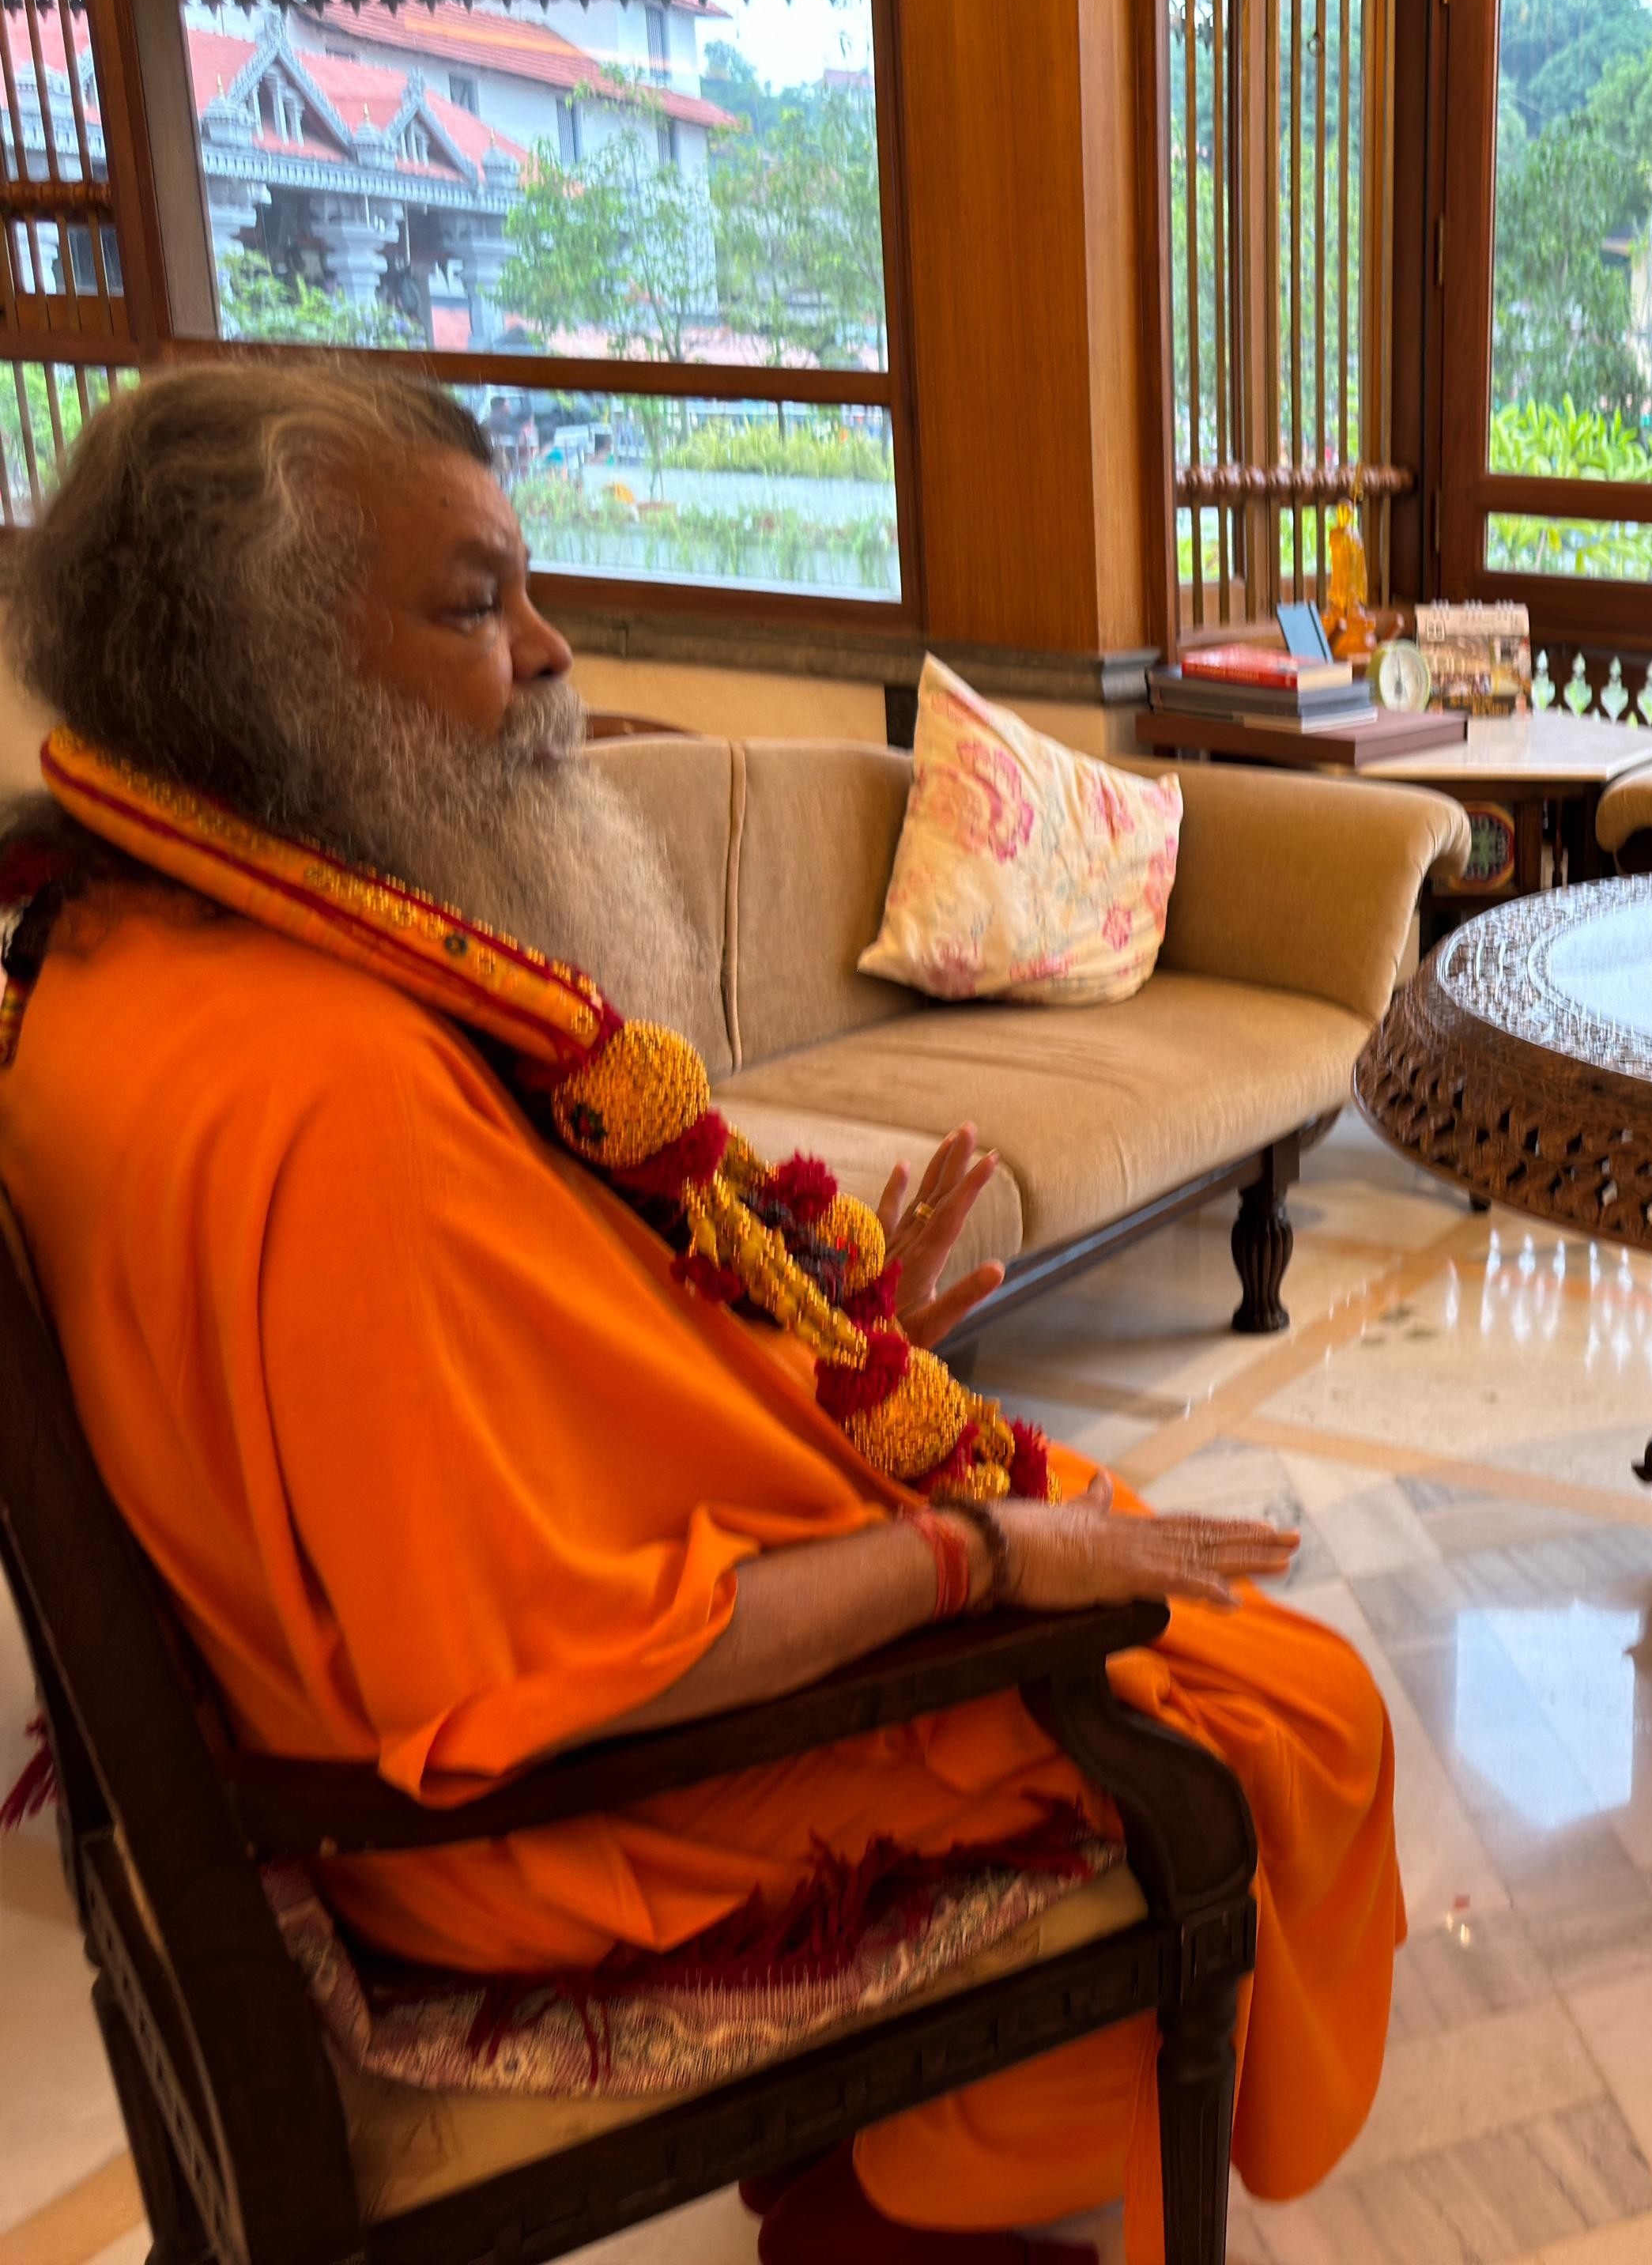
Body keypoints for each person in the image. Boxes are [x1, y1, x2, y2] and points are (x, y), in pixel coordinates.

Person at [0, 366, 1404, 2265]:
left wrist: (811, 1324)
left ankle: (908, 2153)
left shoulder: (146, 947)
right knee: (1278, 1709)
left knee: (1142, 1566)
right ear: (275, 682)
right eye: (474, 604)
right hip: (531, 1833)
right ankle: (915, 2191)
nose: (555, 649)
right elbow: (557, 1675)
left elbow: (500, 1365)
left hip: (408, 1702)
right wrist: (990, 1556)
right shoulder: (328, 1090)